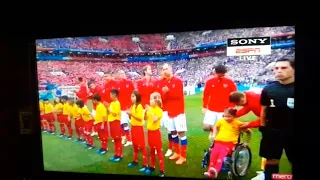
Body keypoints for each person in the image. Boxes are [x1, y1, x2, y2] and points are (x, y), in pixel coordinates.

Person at [256, 58, 294, 180]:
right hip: (273, 132)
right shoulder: (268, 89)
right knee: (271, 161)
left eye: (284, 68)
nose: (278, 71)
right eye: (276, 68)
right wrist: (263, 127)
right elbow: (264, 109)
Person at [204, 107, 251, 179]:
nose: (226, 118)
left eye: (229, 116)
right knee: (213, 154)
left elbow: (249, 132)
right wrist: (214, 135)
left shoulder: (238, 123)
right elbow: (216, 127)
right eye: (225, 116)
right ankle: (210, 172)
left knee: (221, 154)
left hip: (229, 143)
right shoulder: (221, 121)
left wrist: (247, 142)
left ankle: (215, 170)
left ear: (234, 116)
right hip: (218, 141)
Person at [229, 91, 266, 171]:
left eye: (238, 104)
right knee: (268, 149)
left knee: (269, 149)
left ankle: (267, 173)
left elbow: (267, 119)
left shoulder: (254, 101)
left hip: (276, 125)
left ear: (241, 100)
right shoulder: (249, 98)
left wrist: (249, 124)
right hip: (274, 123)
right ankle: (266, 171)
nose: (238, 106)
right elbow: (246, 109)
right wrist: (232, 115)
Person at [161, 63, 187, 165]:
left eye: (166, 68)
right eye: (163, 69)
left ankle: (183, 156)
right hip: (169, 111)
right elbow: (164, 99)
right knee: (172, 132)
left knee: (181, 133)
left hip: (178, 111)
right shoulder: (164, 83)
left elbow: (179, 95)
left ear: (171, 69)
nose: (165, 71)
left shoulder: (178, 80)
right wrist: (165, 93)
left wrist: (169, 91)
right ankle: (176, 152)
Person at [202, 65, 237, 132]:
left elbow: (235, 95)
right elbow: (206, 95)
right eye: (220, 74)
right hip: (211, 109)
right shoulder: (209, 82)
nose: (222, 75)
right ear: (215, 72)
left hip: (224, 110)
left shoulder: (229, 82)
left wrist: (232, 107)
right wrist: (204, 107)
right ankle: (215, 131)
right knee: (206, 127)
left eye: (223, 74)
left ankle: (216, 138)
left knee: (223, 129)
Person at [144, 92, 165, 177]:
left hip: (156, 133)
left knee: (159, 151)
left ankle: (162, 170)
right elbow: (145, 119)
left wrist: (149, 111)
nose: (149, 101)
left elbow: (155, 119)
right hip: (150, 132)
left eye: (151, 99)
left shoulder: (159, 110)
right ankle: (152, 166)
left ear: (155, 101)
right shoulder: (150, 109)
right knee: (152, 150)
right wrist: (145, 112)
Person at [126, 90, 148, 172]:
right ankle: (135, 161)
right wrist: (129, 115)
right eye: (131, 96)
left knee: (142, 146)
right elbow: (132, 118)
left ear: (137, 97)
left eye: (133, 96)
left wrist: (130, 114)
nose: (131, 98)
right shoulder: (133, 105)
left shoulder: (139, 106)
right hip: (133, 127)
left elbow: (140, 118)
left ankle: (145, 165)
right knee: (135, 145)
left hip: (138, 128)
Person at [156, 69, 172, 157]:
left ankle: (170, 148)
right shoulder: (157, 82)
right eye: (163, 70)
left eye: (166, 70)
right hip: (158, 109)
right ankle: (158, 146)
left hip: (167, 110)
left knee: (169, 129)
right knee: (156, 128)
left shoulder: (169, 82)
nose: (164, 72)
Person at [116, 70, 134, 146]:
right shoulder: (117, 84)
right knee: (123, 123)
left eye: (123, 73)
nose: (123, 75)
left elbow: (134, 94)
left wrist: (132, 106)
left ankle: (131, 139)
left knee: (133, 123)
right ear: (118, 75)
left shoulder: (129, 82)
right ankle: (128, 139)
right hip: (121, 107)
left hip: (130, 107)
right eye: (121, 73)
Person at [108, 89, 123, 162]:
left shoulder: (117, 103)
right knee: (115, 139)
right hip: (111, 122)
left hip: (115, 122)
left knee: (118, 139)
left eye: (111, 94)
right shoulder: (112, 103)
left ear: (114, 95)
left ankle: (119, 155)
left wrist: (109, 109)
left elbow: (114, 113)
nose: (110, 96)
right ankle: (116, 154)